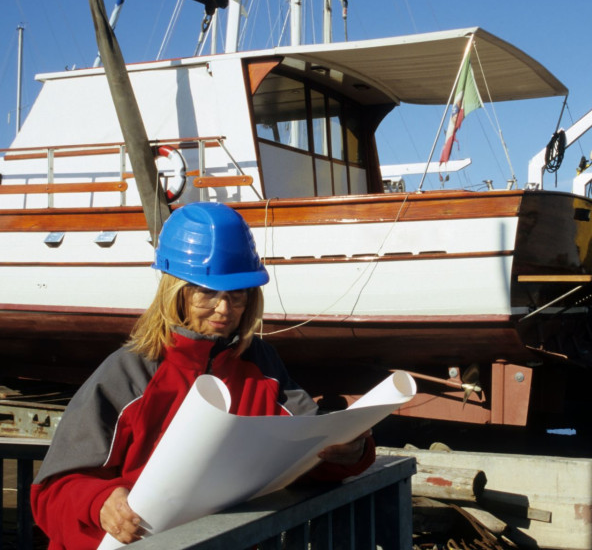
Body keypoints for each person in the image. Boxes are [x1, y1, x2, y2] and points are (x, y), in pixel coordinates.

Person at [30, 202, 375, 549]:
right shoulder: (127, 372)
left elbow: (308, 454)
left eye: (236, 294)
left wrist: (352, 451)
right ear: (176, 291)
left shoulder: (263, 364)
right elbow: (50, 493)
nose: (224, 309)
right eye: (207, 293)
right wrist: (100, 503)